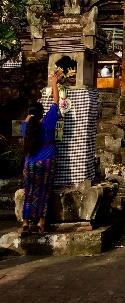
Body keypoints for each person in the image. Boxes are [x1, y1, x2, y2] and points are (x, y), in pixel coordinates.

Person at [20, 70, 60, 235]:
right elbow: (56, 102)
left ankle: (25, 223)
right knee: (44, 192)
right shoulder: (48, 121)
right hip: (46, 162)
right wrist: (54, 82)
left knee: (29, 192)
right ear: (42, 112)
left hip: (30, 164)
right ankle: (41, 224)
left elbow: (26, 120)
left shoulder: (26, 128)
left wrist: (32, 111)